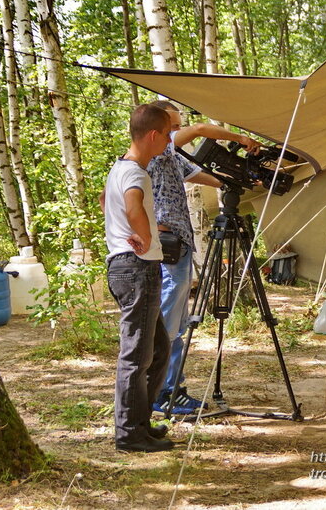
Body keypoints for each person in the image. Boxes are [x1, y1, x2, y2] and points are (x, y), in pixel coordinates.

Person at [146, 100, 263, 415]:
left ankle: (172, 388)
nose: (177, 131)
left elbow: (201, 174)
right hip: (168, 244)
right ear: (157, 130)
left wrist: (236, 181)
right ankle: (161, 392)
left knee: (176, 322)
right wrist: (242, 140)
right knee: (169, 323)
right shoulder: (154, 153)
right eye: (172, 127)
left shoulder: (169, 157)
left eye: (176, 126)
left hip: (179, 245)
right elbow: (198, 129)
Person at [102, 104, 174, 452]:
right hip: (136, 268)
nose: (170, 140)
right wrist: (144, 238)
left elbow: (108, 201)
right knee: (136, 356)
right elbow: (132, 205)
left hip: (125, 266)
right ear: (153, 135)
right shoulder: (136, 174)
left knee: (159, 349)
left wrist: (139, 228)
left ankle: (140, 424)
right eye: (168, 134)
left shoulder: (119, 167)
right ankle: (129, 434)